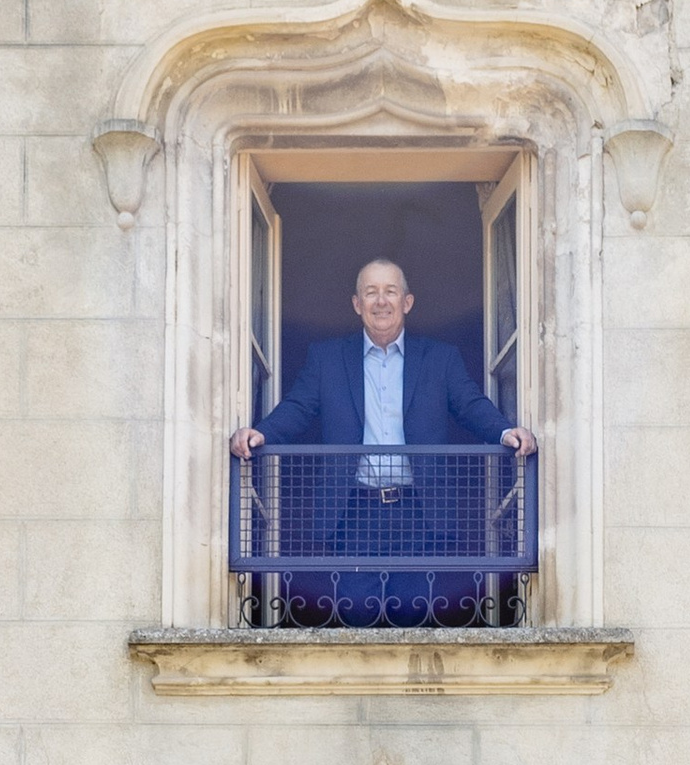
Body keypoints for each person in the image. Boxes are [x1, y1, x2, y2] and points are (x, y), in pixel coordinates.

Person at [229, 257, 536, 624]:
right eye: (371, 292)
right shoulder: (326, 358)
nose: (381, 301)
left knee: (415, 618)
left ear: (407, 302)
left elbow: (470, 405)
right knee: (357, 619)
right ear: (357, 304)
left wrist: (506, 432)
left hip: (420, 510)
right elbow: (298, 407)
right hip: (354, 510)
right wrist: (261, 433)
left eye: (390, 291)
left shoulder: (441, 359)